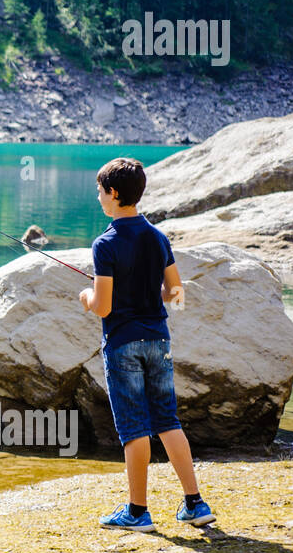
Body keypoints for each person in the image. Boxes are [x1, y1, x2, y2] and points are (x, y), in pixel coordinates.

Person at [78, 157, 215, 532]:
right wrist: (144, 292)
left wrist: (86, 296)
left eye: (100, 191)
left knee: (135, 429)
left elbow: (102, 306)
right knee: (168, 420)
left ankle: (138, 512)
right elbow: (175, 291)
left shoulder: (104, 244)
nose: (99, 198)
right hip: (158, 339)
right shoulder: (158, 237)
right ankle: (195, 504)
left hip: (123, 343)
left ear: (115, 194)